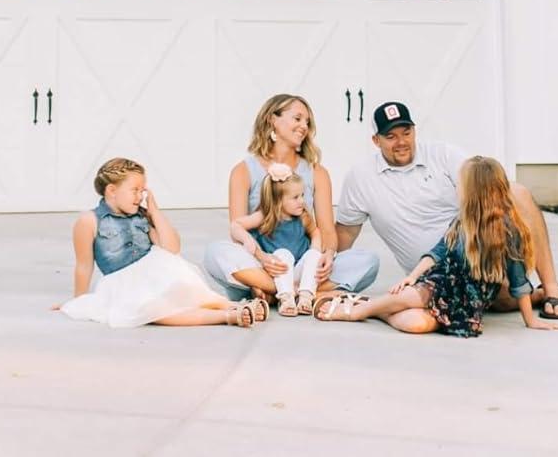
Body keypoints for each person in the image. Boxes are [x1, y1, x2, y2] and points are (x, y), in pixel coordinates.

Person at [331, 101, 558, 322]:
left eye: (406, 132)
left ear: (414, 130)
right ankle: (533, 296)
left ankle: (550, 288)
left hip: (476, 253)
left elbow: (486, 188)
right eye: (390, 136)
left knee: (516, 192)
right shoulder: (361, 177)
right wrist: (322, 277)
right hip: (433, 271)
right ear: (376, 140)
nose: (401, 142)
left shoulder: (443, 155)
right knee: (492, 301)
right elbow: (344, 234)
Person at [316, 156, 558, 336]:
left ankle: (369, 306)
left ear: (477, 192)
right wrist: (412, 277)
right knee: (420, 294)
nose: (458, 189)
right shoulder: (462, 223)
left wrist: (531, 321)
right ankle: (354, 312)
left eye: (462, 185)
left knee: (417, 324)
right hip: (442, 281)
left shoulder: (510, 231)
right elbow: (437, 253)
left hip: (467, 300)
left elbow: (519, 282)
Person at [203, 94, 379, 305]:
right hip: (262, 263)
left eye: (307, 122)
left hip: (303, 266)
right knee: (215, 253)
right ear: (272, 120)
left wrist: (329, 255)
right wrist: (262, 259)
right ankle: (301, 292)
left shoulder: (317, 172)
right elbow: (238, 234)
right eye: (297, 119)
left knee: (368, 262)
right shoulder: (243, 171)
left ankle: (277, 292)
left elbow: (327, 231)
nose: (304, 126)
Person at [59, 157, 267, 329]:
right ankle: (228, 316)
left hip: (154, 269)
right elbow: (84, 266)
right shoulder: (89, 221)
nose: (140, 196)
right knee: (156, 310)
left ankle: (231, 305)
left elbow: (171, 248)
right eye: (135, 190)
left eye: (143, 191)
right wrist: (80, 301)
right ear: (112, 191)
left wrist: (154, 211)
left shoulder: (142, 216)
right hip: (123, 282)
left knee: (188, 291)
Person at [227, 163, 322, 317]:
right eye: (296, 197)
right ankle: (286, 299)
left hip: (299, 272)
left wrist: (315, 250)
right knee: (283, 254)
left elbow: (315, 232)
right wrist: (247, 240)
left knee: (315, 255)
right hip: (277, 275)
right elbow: (236, 225)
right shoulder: (264, 216)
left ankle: (305, 297)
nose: (302, 201)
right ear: (278, 201)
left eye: (302, 195)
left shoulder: (303, 217)